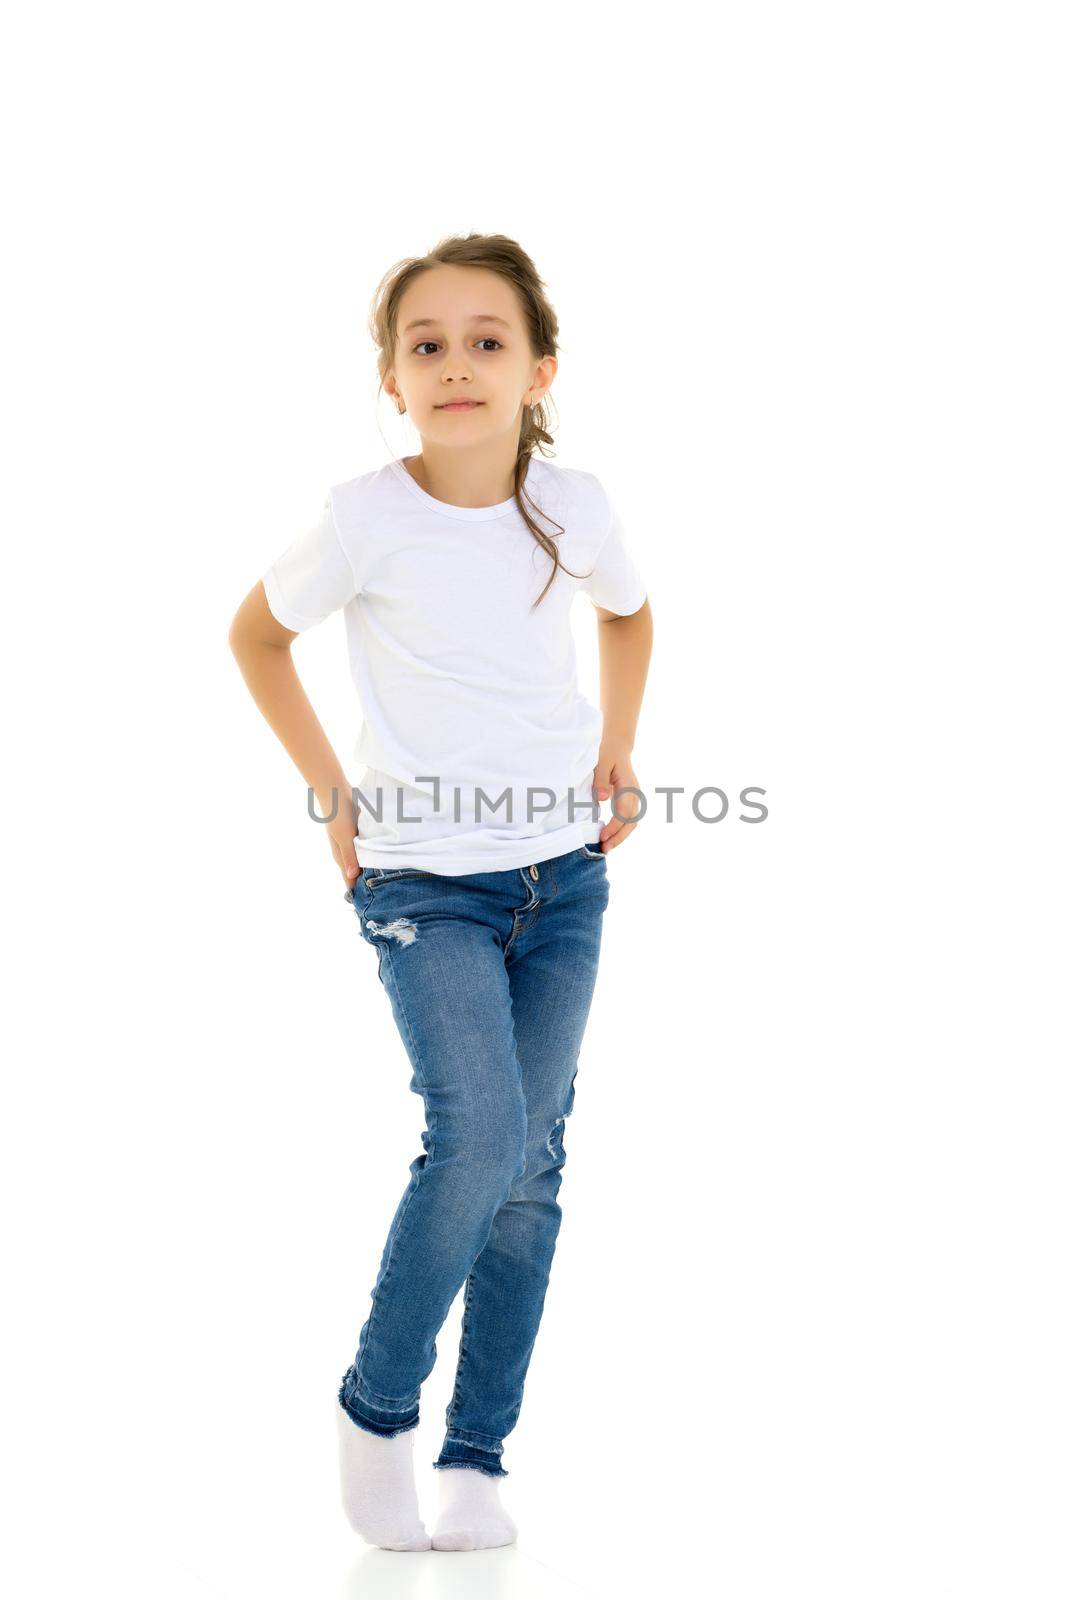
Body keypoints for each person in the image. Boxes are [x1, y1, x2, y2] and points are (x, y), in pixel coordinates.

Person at [228, 233, 653, 1553]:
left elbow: (631, 616)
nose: (456, 363)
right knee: (475, 1137)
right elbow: (256, 635)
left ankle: (478, 1453)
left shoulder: (573, 503)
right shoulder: (363, 517)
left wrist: (620, 749)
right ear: (392, 380)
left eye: (487, 340)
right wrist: (332, 794)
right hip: (423, 881)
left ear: (539, 370)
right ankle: (376, 1406)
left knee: (529, 1170)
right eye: (427, 344)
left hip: (562, 883)